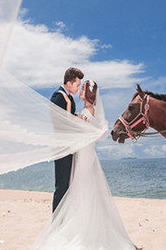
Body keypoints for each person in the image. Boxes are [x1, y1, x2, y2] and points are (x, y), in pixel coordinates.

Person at [33, 80, 136, 250]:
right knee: (84, 190)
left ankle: (79, 228)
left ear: (88, 93)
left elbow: (72, 129)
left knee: (81, 190)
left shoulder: (86, 113)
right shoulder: (88, 111)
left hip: (83, 156)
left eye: (82, 88)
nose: (79, 90)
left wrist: (68, 109)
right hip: (85, 155)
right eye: (79, 87)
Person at [50, 67, 84, 212]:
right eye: (77, 85)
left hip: (69, 146)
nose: (78, 88)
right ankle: (56, 220)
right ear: (69, 83)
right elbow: (59, 123)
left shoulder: (69, 98)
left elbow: (68, 118)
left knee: (68, 184)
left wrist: (75, 116)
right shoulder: (58, 97)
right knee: (61, 186)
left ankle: (64, 217)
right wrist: (73, 116)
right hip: (61, 146)